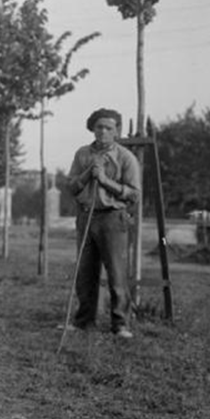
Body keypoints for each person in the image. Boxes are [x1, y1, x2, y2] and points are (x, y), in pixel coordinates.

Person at [66, 108, 141, 338]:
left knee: (116, 273)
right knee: (85, 271)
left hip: (112, 218)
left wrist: (106, 181)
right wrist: (88, 173)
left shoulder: (125, 157)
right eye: (99, 127)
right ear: (92, 128)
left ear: (117, 131)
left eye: (109, 128)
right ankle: (83, 321)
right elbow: (71, 187)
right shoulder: (82, 154)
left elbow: (134, 194)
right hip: (86, 215)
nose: (103, 132)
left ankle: (120, 324)